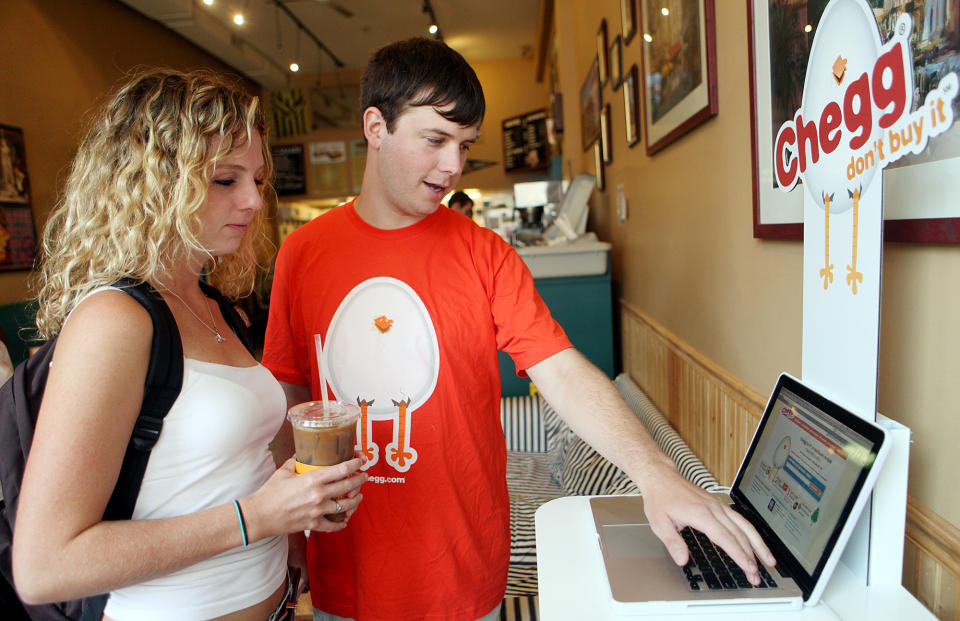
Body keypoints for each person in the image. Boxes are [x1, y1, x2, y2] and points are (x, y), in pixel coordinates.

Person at [262, 38, 774, 621]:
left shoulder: (485, 253)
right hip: (346, 572)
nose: (454, 166)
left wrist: (656, 474)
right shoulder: (302, 252)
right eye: (435, 140)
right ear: (376, 127)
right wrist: (292, 530)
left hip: (462, 572)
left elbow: (559, 370)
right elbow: (290, 390)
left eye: (465, 145)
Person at [11, 68, 367, 621]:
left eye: (258, 179)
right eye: (226, 180)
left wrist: (299, 514)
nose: (253, 200)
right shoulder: (116, 320)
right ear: (153, 183)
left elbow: (217, 470)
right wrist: (259, 517)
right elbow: (45, 568)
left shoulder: (216, 304)